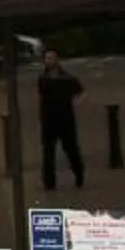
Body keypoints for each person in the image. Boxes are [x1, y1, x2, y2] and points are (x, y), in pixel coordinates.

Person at [38, 50, 86, 190]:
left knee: (71, 149)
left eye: (51, 58)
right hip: (48, 120)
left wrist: (78, 102)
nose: (49, 61)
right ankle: (49, 182)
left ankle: (79, 173)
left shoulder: (67, 78)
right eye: (47, 58)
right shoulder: (43, 79)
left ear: (57, 60)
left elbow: (82, 92)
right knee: (48, 152)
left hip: (65, 119)